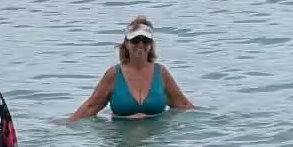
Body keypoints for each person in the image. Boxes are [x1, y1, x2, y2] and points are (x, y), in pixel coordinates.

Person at [66, 16, 196, 122]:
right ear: (126, 44)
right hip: (122, 142)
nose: (140, 44)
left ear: (151, 45)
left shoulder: (161, 73)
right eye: (135, 40)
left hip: (155, 142)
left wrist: (212, 120)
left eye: (145, 40)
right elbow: (90, 108)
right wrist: (64, 125)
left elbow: (183, 105)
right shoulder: (113, 74)